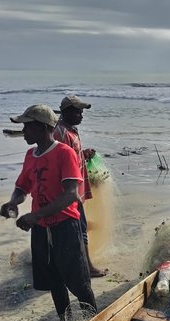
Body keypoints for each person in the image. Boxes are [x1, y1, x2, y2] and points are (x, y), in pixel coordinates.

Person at [0, 104, 97, 321]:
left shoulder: (64, 153)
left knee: (80, 283)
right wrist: (13, 202)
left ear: (43, 127)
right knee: (54, 281)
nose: (24, 131)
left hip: (65, 226)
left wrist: (36, 216)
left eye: (27, 126)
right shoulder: (30, 155)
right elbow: (22, 187)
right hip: (42, 229)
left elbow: (71, 194)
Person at [54, 95, 108, 278]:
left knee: (77, 228)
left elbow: (70, 158)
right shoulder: (60, 133)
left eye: (82, 111)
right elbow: (59, 162)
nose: (81, 115)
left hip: (73, 192)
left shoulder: (70, 131)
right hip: (69, 193)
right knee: (79, 228)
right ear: (66, 111)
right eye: (78, 111)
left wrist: (83, 155)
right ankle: (87, 267)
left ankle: (76, 264)